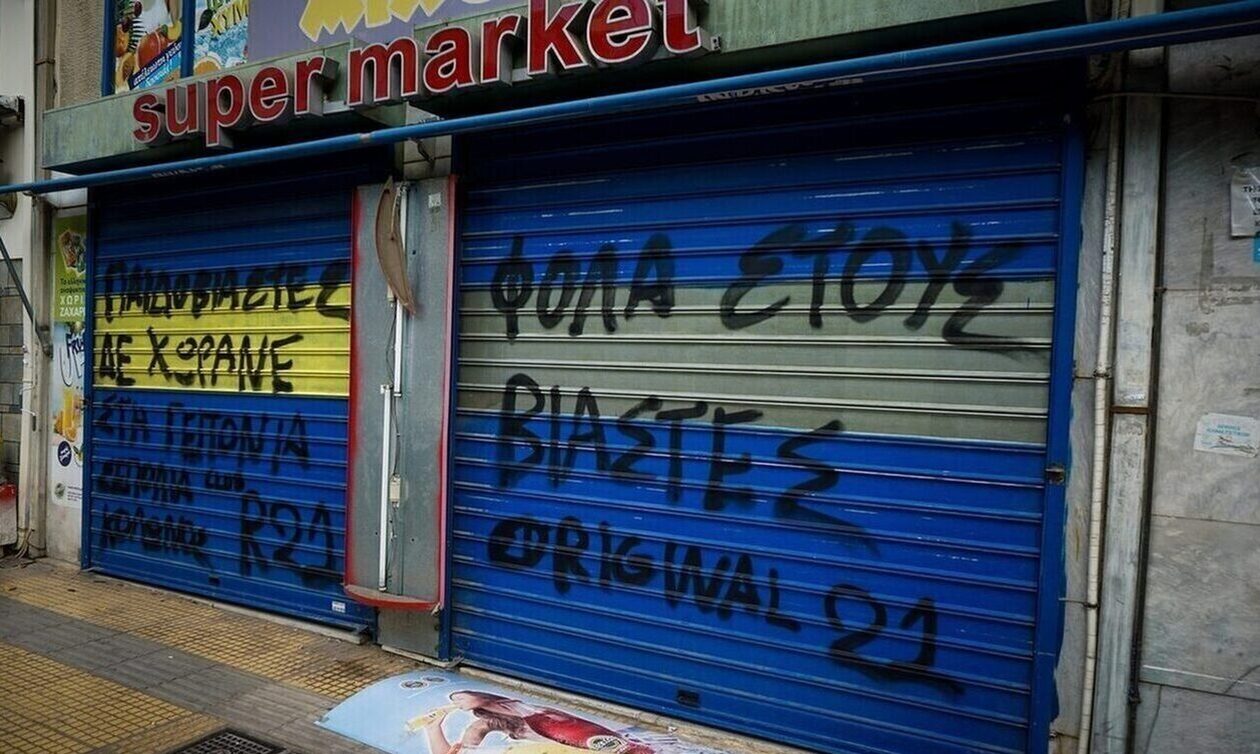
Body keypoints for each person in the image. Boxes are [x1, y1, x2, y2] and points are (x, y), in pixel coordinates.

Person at [419, 690, 654, 754]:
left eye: (459, 697)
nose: (457, 702)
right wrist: (433, 728)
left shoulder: (532, 712)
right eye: (454, 700)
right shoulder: (486, 724)